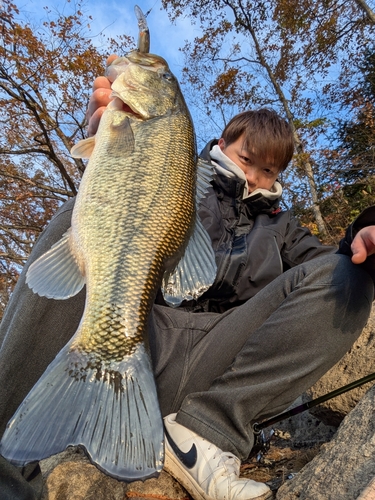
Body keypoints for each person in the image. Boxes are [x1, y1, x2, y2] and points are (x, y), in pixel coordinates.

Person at [1, 56, 375, 500]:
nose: (256, 176)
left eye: (270, 171)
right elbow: (121, 217)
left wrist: (364, 233)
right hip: (146, 336)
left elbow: (326, 262)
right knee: (74, 224)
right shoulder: (180, 175)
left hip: (219, 356)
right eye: (248, 159)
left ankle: (207, 430)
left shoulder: (284, 226)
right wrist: (107, 157)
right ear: (222, 143)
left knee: (347, 276)